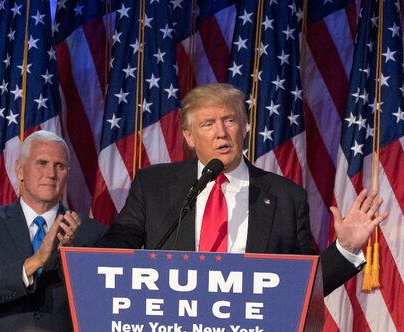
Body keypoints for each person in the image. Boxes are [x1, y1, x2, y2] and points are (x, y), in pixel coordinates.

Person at [95, 83, 387, 297]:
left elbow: (305, 285)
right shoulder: (154, 185)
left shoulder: (286, 197)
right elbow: (120, 242)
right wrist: (88, 262)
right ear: (189, 137)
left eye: (230, 120)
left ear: (245, 127)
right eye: (208, 124)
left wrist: (346, 247)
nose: (221, 132)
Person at [0, 130, 106, 332]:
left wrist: (72, 256)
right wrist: (34, 262)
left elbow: (100, 309)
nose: (50, 174)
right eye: (42, 163)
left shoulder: (93, 234)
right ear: (20, 170)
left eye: (60, 166)